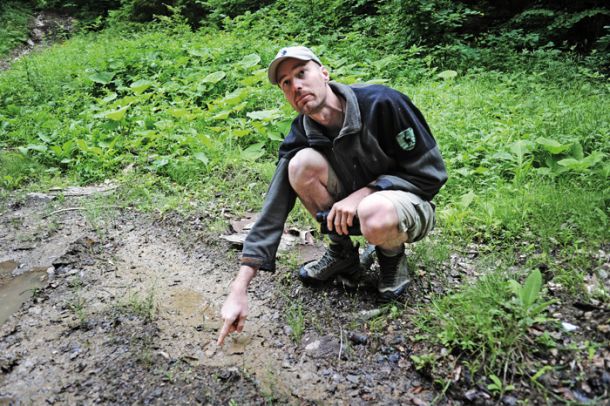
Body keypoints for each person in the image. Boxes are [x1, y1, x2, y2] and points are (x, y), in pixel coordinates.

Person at [217, 46, 447, 345]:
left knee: (373, 211)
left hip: (405, 203)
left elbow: (431, 176)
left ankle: (392, 258)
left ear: (324, 74)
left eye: (301, 73)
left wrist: (365, 193)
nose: (296, 85)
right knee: (299, 165)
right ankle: (343, 254)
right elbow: (272, 211)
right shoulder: (301, 131)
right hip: (355, 208)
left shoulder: (383, 103)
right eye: (286, 82)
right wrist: (239, 288)